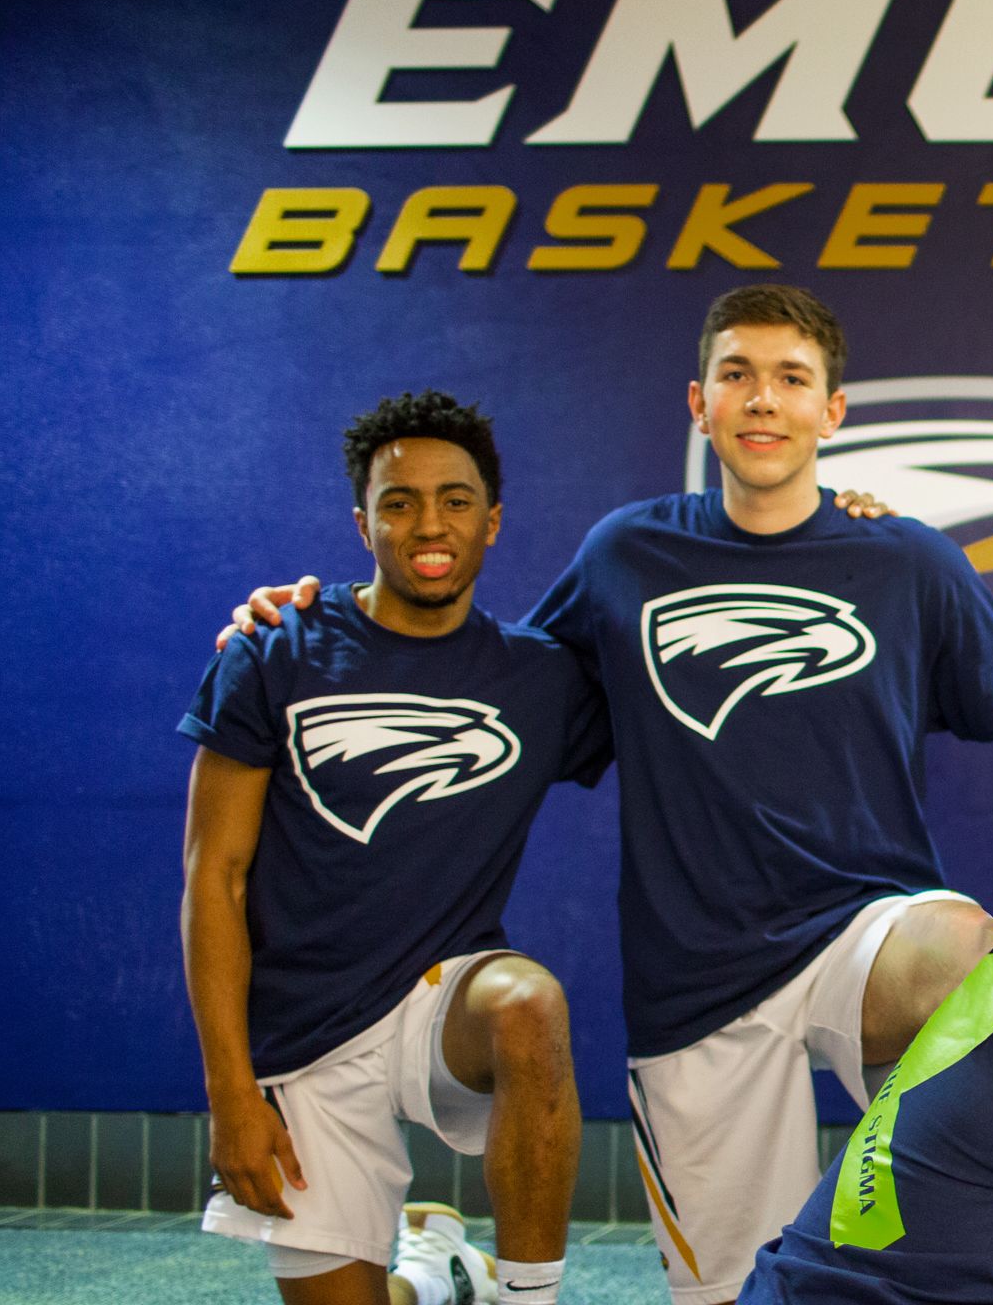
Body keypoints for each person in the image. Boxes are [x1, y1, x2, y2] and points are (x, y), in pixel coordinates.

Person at [229, 287, 993, 1305]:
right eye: (737, 375)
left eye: (791, 379)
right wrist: (311, 627)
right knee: (734, 1294)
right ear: (699, 404)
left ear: (834, 413)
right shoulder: (623, 555)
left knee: (975, 967)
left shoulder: (906, 559)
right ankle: (441, 1278)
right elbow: (477, 679)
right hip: (697, 986)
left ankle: (989, 1255)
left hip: (863, 934)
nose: (763, 400)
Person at [182, 392, 607, 1305]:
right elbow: (211, 882)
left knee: (529, 1002)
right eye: (399, 501)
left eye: (455, 500)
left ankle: (529, 1297)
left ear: (492, 522)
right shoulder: (272, 651)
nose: (428, 525)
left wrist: (853, 526)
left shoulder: (544, 676)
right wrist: (230, 1096)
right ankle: (440, 1278)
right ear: (362, 521)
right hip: (304, 1038)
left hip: (439, 1003)